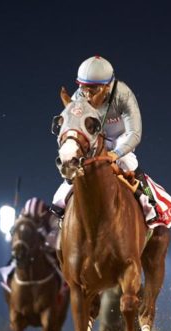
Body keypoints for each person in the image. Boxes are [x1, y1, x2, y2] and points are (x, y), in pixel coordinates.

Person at [50, 55, 159, 224]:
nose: (86, 94)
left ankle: (149, 200)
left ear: (107, 85)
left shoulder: (123, 95)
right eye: (83, 86)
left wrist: (116, 154)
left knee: (128, 161)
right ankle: (62, 197)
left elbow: (135, 134)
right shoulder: (78, 97)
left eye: (93, 89)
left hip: (121, 137)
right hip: (96, 138)